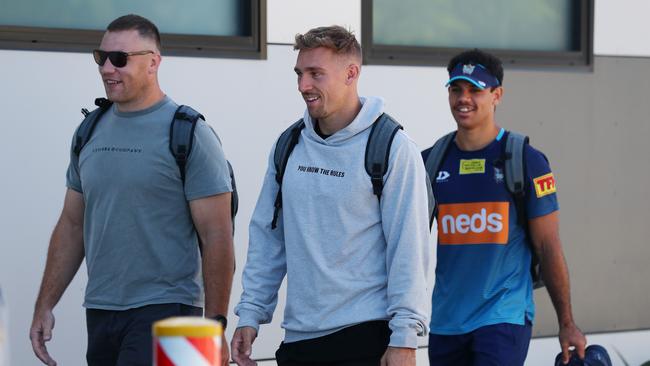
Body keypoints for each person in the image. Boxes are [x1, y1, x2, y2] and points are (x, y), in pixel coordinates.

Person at [29, 14, 234, 366]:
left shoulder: (188, 133)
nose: (108, 68)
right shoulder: (89, 131)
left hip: (173, 314)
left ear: (154, 62)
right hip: (102, 311)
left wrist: (215, 326)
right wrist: (44, 305)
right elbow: (72, 225)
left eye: (120, 59)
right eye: (101, 57)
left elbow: (217, 235)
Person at [231, 26, 430, 366]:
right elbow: (268, 238)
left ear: (351, 73)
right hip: (299, 338)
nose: (302, 85)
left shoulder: (392, 148)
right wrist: (250, 314)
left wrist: (405, 340)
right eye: (299, 73)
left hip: (367, 337)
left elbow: (408, 250)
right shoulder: (288, 145)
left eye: (315, 74)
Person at [422, 49, 586, 365]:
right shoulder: (429, 162)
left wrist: (566, 323)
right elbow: (406, 244)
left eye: (475, 90)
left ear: (497, 95)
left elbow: (549, 245)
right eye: (456, 89)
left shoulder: (526, 160)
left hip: (503, 318)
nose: (463, 98)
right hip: (445, 323)